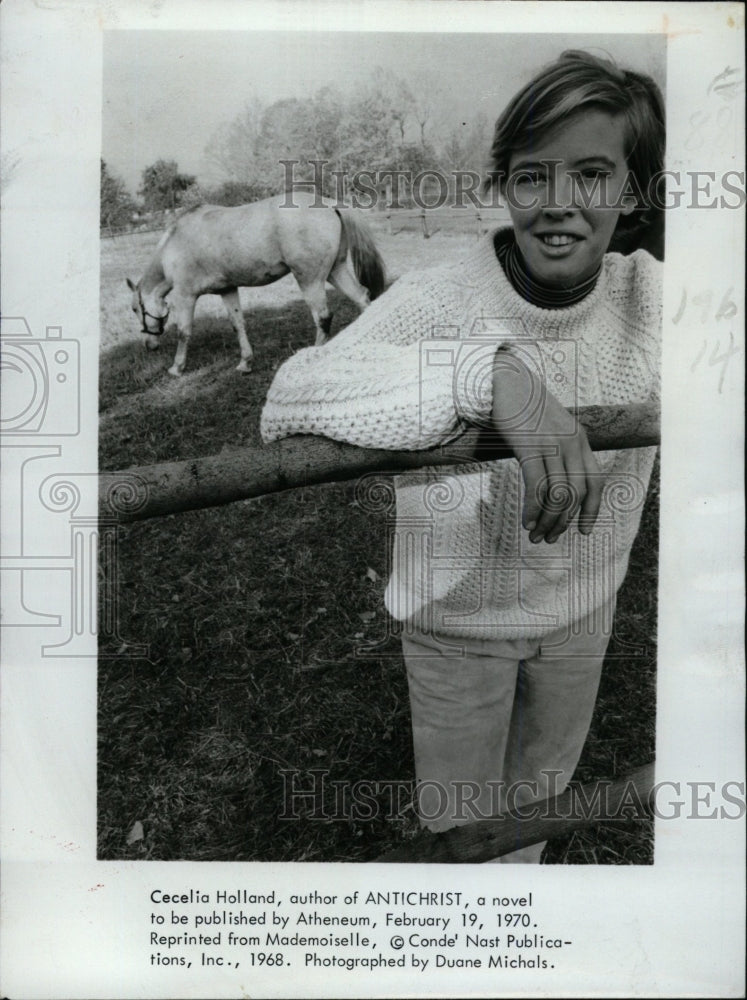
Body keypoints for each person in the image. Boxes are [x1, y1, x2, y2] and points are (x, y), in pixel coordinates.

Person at [261, 50, 664, 862]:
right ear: (504, 184)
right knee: (460, 829)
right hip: (456, 625)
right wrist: (487, 371)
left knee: (541, 803)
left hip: (584, 611)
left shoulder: (654, 297)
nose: (557, 204)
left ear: (629, 192)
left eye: (590, 175)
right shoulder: (440, 297)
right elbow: (290, 396)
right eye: (529, 175)